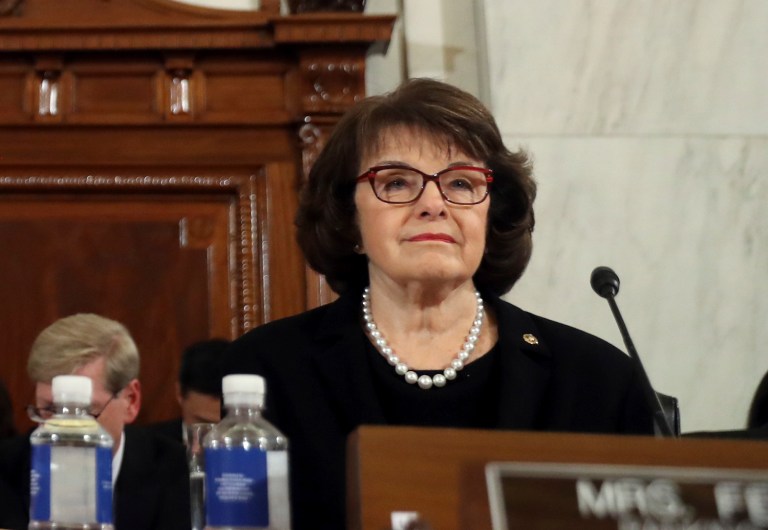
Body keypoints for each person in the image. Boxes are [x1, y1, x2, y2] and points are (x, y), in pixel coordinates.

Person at [220, 78, 655, 530]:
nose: (433, 204)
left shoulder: (597, 379)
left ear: (492, 213)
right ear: (349, 217)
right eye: (396, 182)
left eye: (462, 183)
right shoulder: (269, 369)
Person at [0, 313, 190, 530]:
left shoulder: (178, 471)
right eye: (49, 409)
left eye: (84, 411)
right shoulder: (6, 469)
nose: (65, 428)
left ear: (131, 401)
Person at [148, 338, 229, 444]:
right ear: (179, 393)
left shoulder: (255, 446)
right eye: (204, 424)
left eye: (227, 426)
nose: (214, 439)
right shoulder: (149, 445)